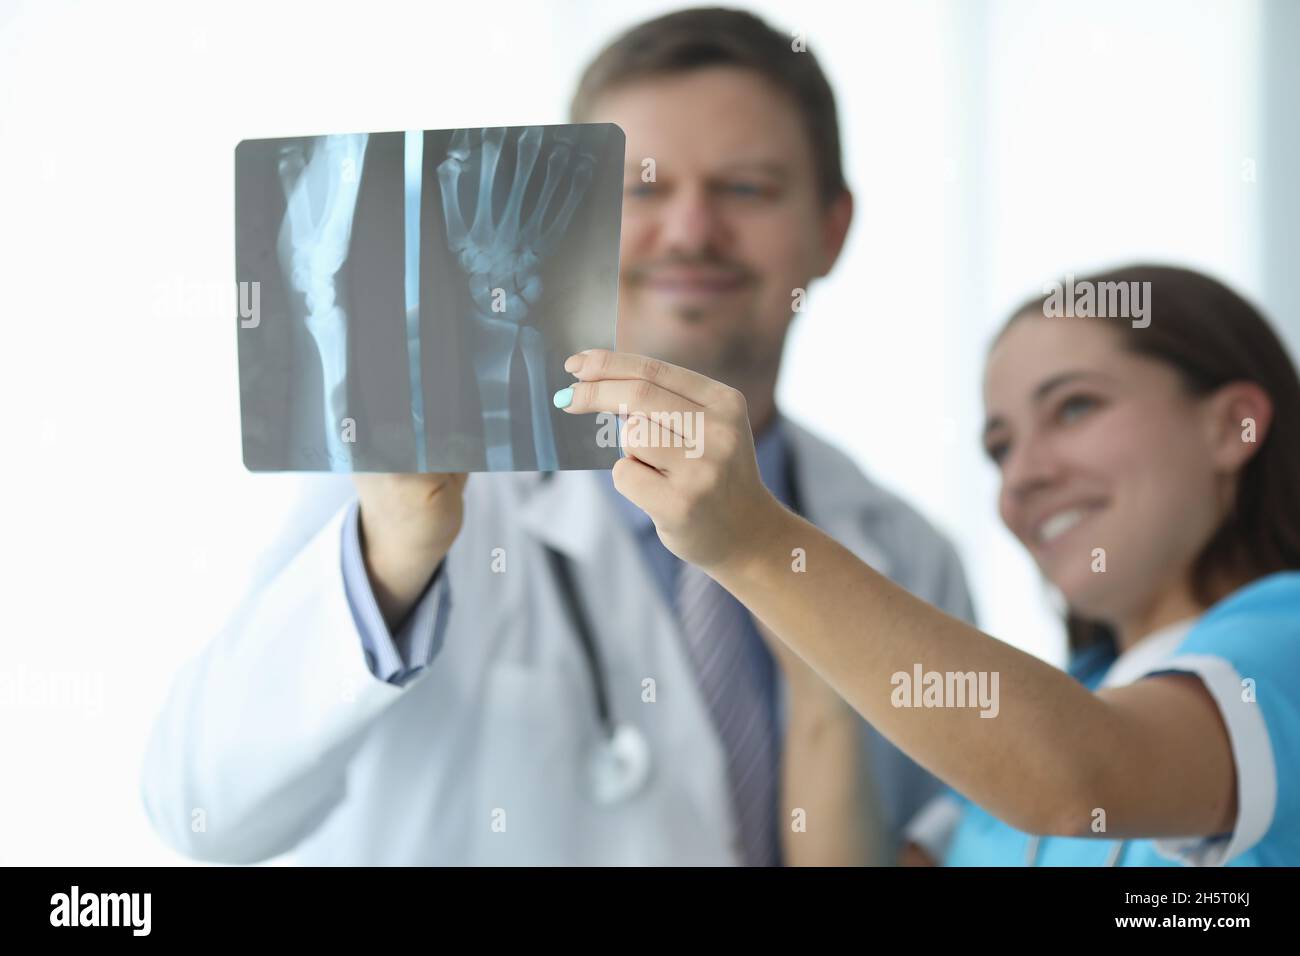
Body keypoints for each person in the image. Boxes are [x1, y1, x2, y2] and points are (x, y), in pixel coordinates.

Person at [140, 7, 974, 866]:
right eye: (644, 190)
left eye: (747, 189)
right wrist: (388, 567)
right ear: (571, 221)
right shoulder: (397, 488)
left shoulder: (906, 556)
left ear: (831, 230)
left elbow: (967, 837)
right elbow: (201, 809)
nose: (690, 230)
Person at [558, 264, 1300, 865]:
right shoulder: (1049, 719)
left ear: (1231, 424)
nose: (1025, 475)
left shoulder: (1283, 640)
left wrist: (755, 544)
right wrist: (818, 689)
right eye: (1000, 446)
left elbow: (1082, 779)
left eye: (1075, 408)